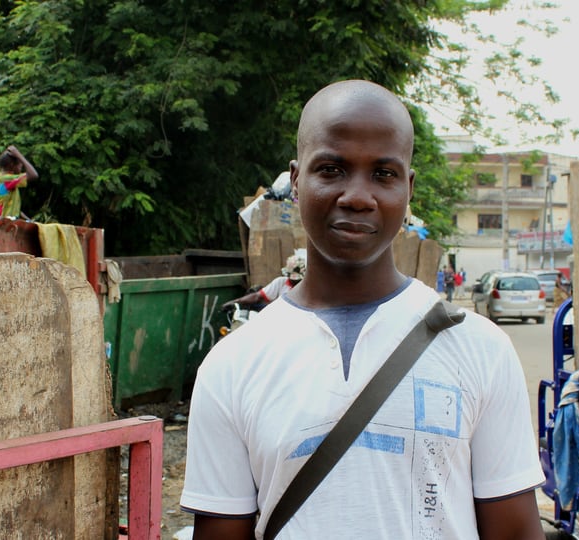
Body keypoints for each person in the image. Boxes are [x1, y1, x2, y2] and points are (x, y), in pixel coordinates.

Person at [181, 80, 545, 539]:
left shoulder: (479, 348)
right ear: (296, 181)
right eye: (331, 169)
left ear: (408, 189)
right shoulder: (232, 365)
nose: (357, 195)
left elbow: (514, 531)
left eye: (384, 174)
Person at [221, 253, 306, 312]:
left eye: (297, 280)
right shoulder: (281, 282)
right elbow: (257, 296)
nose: (294, 281)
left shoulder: (309, 289)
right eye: (293, 279)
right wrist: (236, 301)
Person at [0, 145, 38, 218]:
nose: (21, 166)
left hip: (3, 218)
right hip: (1, 220)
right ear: (12, 165)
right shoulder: (6, 179)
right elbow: (34, 175)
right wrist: (19, 155)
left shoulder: (7, 181)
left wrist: (29, 221)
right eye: (19, 163)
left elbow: (14, 209)